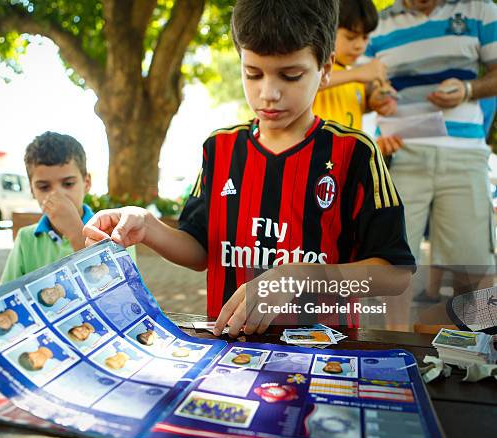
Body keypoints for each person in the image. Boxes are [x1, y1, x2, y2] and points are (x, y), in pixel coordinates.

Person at [83, 0, 414, 337]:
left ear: (325, 68)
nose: (268, 93)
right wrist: (147, 225)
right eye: (252, 73)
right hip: (229, 353)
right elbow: (200, 249)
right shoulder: (220, 148)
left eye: (290, 75)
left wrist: (301, 275)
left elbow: (396, 272)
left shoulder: (354, 152)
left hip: (324, 356)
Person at [366, 0, 497, 300]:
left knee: (473, 271)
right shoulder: (378, 23)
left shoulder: (480, 9)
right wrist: (376, 96)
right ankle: (390, 346)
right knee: (387, 270)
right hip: (399, 155)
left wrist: (468, 90)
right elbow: (365, 86)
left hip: (464, 155)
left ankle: (472, 346)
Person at [0, 132, 93, 284]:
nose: (57, 195)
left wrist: (76, 232)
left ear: (87, 183)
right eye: (44, 187)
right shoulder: (26, 239)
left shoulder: (113, 232)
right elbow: (5, 298)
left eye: (68, 184)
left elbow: (122, 296)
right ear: (32, 190)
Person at [313, 0, 403, 153]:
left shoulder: (353, 77)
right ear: (326, 29)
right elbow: (305, 84)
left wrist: (377, 101)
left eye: (365, 37)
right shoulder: (315, 66)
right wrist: (357, 73)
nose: (359, 46)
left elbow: (350, 106)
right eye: (350, 37)